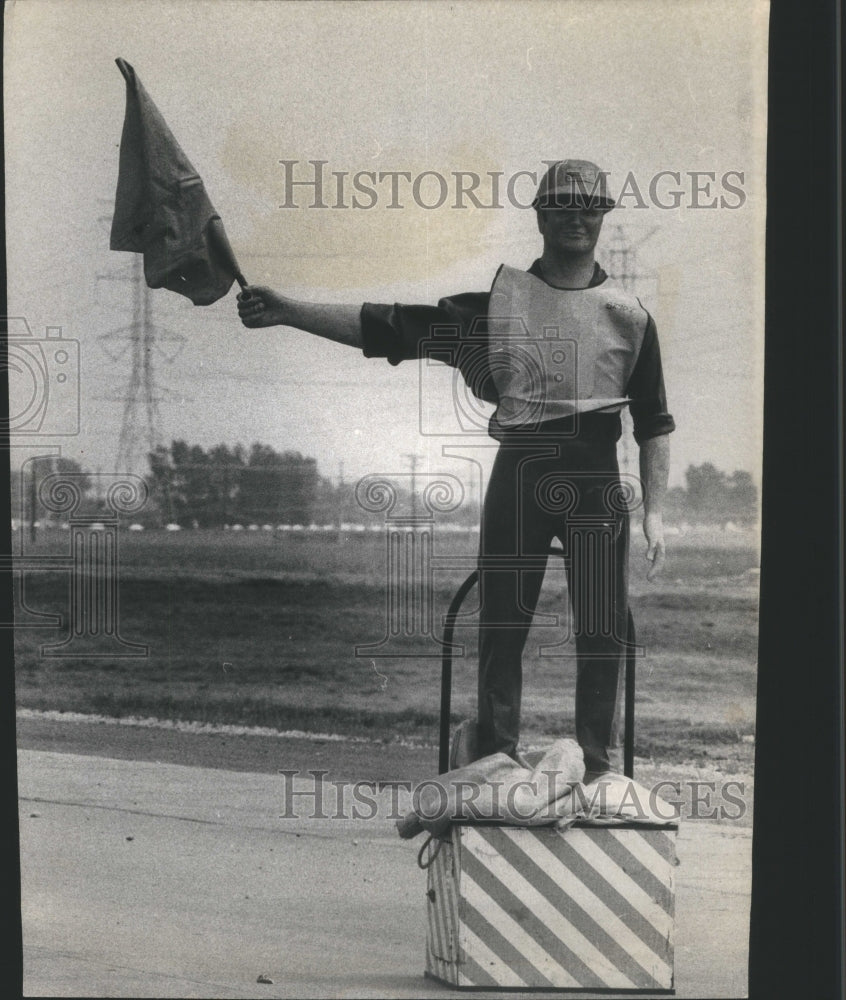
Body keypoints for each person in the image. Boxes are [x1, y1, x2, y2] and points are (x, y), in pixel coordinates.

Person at [237, 160, 674, 779]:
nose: (577, 217)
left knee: (602, 632)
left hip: (597, 483)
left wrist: (655, 512)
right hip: (520, 474)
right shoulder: (500, 305)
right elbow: (395, 326)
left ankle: (599, 771)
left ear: (603, 216)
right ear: (542, 215)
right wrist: (288, 310)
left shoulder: (630, 316)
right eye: (563, 205)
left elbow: (654, 424)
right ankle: (495, 760)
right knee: (502, 627)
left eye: (590, 207)